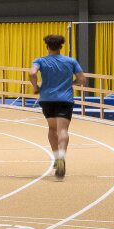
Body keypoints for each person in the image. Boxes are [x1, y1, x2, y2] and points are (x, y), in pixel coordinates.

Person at [29, 32, 87, 178]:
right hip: (65, 98)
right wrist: (72, 83)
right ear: (61, 46)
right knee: (63, 130)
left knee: (52, 128)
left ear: (47, 46)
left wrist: (36, 87)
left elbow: (31, 73)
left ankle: (56, 156)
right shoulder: (71, 61)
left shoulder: (40, 60)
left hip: (47, 99)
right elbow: (82, 80)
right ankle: (62, 156)